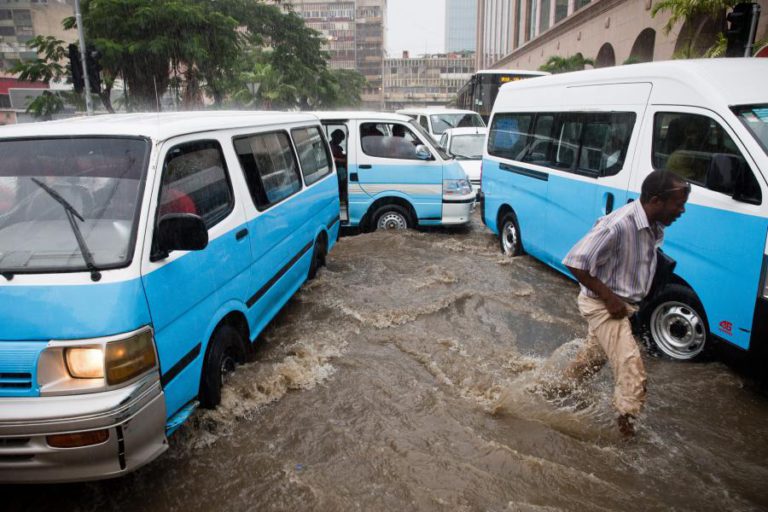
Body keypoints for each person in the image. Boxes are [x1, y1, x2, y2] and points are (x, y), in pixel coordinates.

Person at [556, 169, 690, 437]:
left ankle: (555, 390)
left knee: (591, 361)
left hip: (624, 305)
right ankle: (626, 437)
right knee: (632, 368)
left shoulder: (653, 226)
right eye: (678, 204)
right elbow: (575, 262)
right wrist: (609, 298)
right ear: (656, 201)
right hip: (603, 305)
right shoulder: (618, 224)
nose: (682, 210)